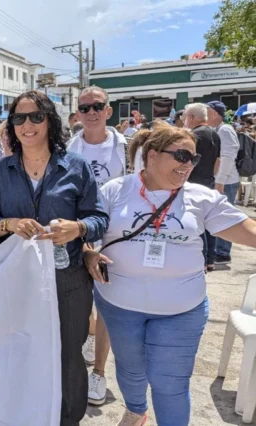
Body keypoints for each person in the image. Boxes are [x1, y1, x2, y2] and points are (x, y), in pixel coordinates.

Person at [84, 126, 256, 426]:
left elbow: (249, 231)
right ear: (152, 156)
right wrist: (88, 254)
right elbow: (87, 230)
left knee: (170, 383)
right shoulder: (115, 190)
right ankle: (136, 411)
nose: (188, 164)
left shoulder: (201, 197)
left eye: (193, 158)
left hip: (180, 310)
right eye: (181, 156)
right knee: (130, 370)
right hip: (119, 305)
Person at [0, 91, 109, 426]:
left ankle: (68, 419)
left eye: (36, 116)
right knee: (19, 350)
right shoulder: (0, 170)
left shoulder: (76, 167)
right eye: (19, 118)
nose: (28, 125)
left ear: (50, 120)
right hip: (16, 280)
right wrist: (10, 224)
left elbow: (99, 218)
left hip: (68, 280)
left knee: (68, 356)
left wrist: (77, 228)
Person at [67, 85, 128, 406]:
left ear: (108, 110)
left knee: (105, 299)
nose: (90, 112)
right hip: (79, 231)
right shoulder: (68, 148)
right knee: (82, 298)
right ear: (77, 112)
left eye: (97, 106)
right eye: (84, 107)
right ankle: (91, 335)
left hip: (115, 234)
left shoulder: (127, 147)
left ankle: (99, 372)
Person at [183, 104, 221, 272]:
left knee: (197, 224)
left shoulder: (193, 135)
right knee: (209, 223)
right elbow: (218, 161)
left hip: (193, 183)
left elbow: (187, 162)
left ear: (191, 117)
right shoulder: (215, 133)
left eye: (185, 117)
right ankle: (210, 260)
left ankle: (203, 261)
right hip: (209, 181)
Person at [208, 100, 240, 265]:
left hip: (226, 181)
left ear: (214, 114)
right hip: (222, 180)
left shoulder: (225, 130)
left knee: (224, 216)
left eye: (207, 112)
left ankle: (223, 252)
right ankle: (219, 250)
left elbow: (228, 157)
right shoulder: (218, 129)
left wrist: (220, 181)